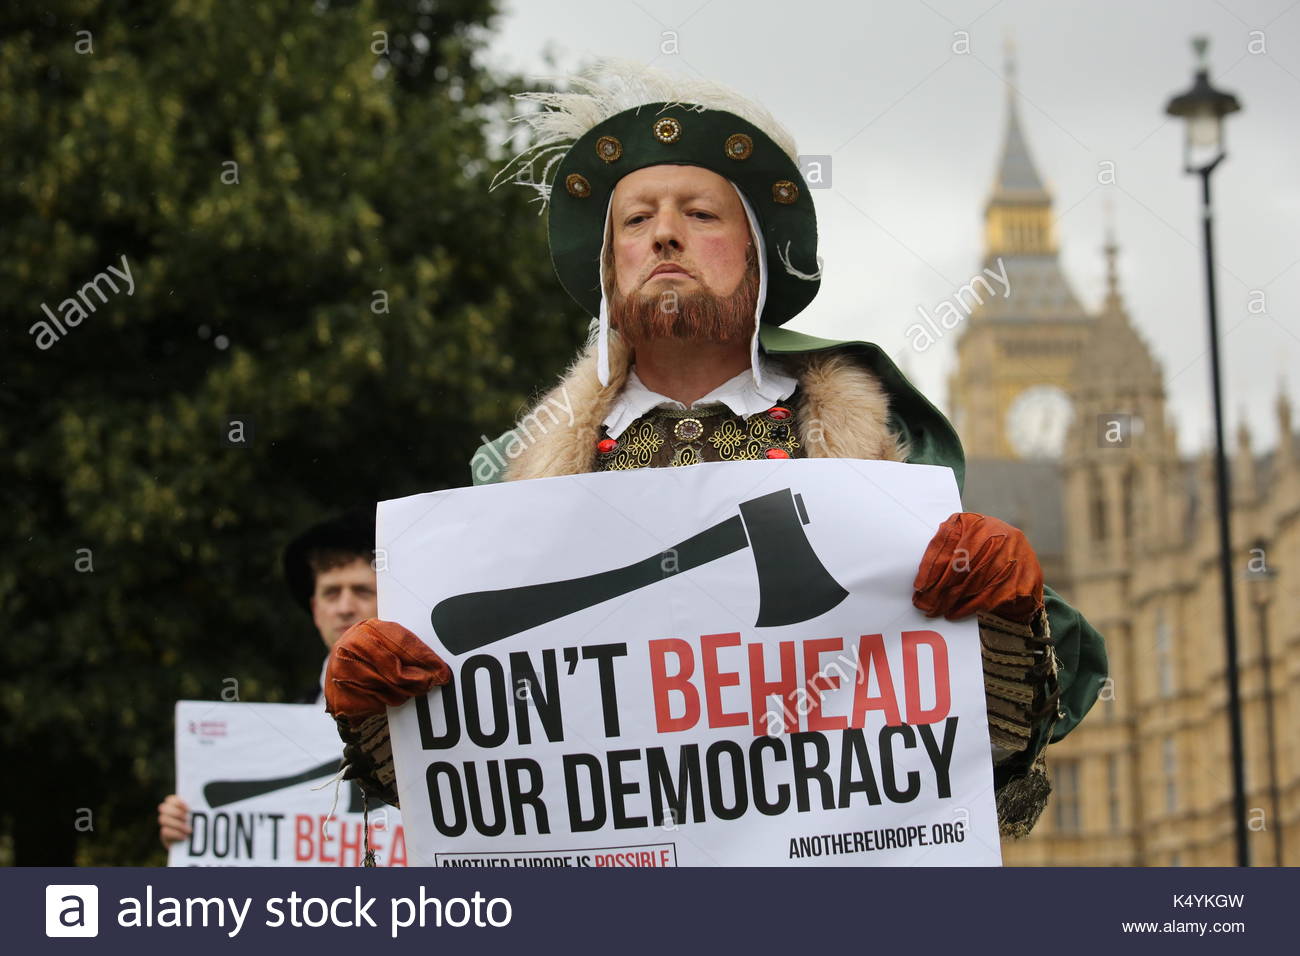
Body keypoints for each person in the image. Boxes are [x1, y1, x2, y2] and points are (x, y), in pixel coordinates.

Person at [324, 62, 1108, 840]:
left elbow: (971, 747)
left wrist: (1000, 623)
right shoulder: (505, 476)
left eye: (699, 213)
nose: (663, 232)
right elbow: (480, 782)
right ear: (610, 269)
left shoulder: (887, 458)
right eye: (634, 222)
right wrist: (380, 712)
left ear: (757, 254)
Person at [157, 510, 376, 848]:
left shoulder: (432, 707)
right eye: (332, 593)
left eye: (362, 591)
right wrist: (187, 822)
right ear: (316, 610)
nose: (345, 607)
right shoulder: (288, 723)